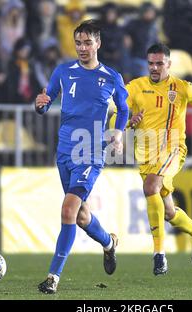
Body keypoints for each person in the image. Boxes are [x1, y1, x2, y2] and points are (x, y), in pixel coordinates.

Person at [34, 20, 129, 294]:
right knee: (81, 216)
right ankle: (109, 243)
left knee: (68, 209)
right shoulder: (64, 71)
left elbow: (122, 110)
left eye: (88, 43)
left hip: (91, 151)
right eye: (78, 43)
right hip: (64, 151)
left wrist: (119, 133)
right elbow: (46, 100)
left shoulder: (112, 77)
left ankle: (53, 277)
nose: (83, 48)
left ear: (98, 43)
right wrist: (40, 105)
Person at [126, 43, 192, 275]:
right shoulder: (135, 87)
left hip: (173, 150)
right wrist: (129, 122)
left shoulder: (182, 88)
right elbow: (116, 116)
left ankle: (159, 254)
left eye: (159, 63)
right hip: (146, 156)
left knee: (150, 186)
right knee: (169, 212)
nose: (154, 67)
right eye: (151, 63)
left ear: (169, 64)